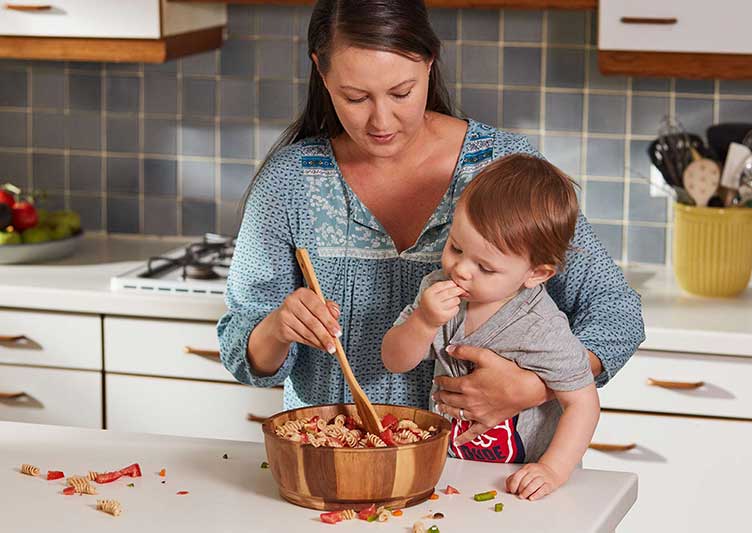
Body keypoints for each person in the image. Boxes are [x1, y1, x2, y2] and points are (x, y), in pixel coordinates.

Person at [217, 0, 644, 447]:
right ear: (321, 73)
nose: (381, 120)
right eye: (355, 97)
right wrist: (278, 327)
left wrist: (533, 386)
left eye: (401, 92)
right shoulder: (289, 182)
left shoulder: (502, 167)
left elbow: (615, 311)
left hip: (483, 477)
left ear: (430, 62)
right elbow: (240, 352)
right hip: (337, 473)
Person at [382, 154, 599, 500]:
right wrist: (423, 322)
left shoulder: (540, 327)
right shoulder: (437, 290)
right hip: (453, 473)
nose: (461, 270)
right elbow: (395, 360)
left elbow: (583, 404)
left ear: (536, 273)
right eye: (455, 247)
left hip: (522, 483)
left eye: (485, 267)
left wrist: (552, 470)